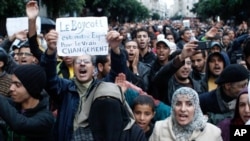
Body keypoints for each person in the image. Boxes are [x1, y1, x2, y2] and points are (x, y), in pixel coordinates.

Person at [40, 29, 146, 141]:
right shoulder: (64, 88)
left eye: (86, 62)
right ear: (74, 67)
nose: (82, 64)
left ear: (94, 69)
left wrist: (115, 49)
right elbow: (49, 78)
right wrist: (51, 51)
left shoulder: (103, 88)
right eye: (78, 62)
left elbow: (117, 72)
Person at [0, 64, 54, 141]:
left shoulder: (46, 119)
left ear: (31, 88)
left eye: (17, 85)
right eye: (11, 83)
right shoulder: (13, 105)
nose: (11, 88)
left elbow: (20, 125)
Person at [149, 87, 222, 141]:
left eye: (189, 104)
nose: (183, 109)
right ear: (173, 107)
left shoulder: (213, 133)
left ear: (196, 108)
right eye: (178, 104)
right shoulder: (159, 128)